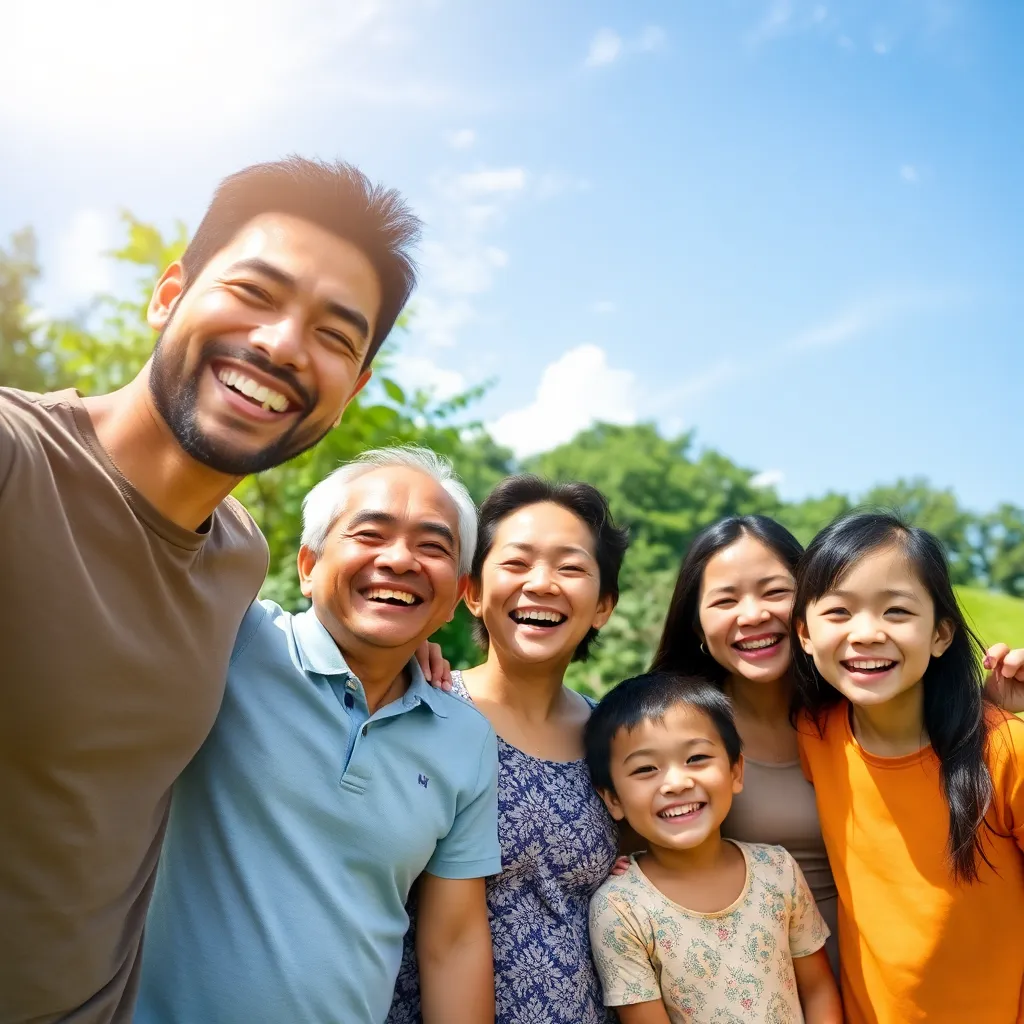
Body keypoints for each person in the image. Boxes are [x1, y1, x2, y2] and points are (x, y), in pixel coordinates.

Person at [0, 157, 420, 1024]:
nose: (280, 345)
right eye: (255, 292)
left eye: (336, 336)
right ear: (169, 295)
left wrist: (407, 659)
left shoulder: (238, 556)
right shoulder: (18, 461)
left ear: (353, 391)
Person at [135, 447, 499, 1024]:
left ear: (456, 598)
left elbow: (452, 942)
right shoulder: (233, 641)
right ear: (308, 566)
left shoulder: (466, 737)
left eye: (433, 546)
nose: (401, 559)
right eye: (371, 534)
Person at [641, 513, 1024, 976]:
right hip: (748, 987)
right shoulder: (673, 731)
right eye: (725, 600)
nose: (753, 613)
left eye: (775, 591)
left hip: (877, 987)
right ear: (696, 625)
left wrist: (976, 712)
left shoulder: (849, 713)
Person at [389, 475, 629, 1024]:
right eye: (516, 563)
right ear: (471, 591)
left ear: (603, 607)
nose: (542, 583)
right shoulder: (422, 706)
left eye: (570, 568)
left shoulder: (614, 738)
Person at [793, 510, 1024, 1023]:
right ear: (804, 634)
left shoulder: (1006, 751)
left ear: (941, 635)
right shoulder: (815, 735)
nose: (867, 633)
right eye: (838, 612)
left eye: (896, 611)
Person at [586, 672, 842, 1024]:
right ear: (613, 799)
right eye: (646, 768)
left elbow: (818, 990)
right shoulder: (621, 909)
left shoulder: (777, 870)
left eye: (696, 759)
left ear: (737, 771)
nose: (677, 783)